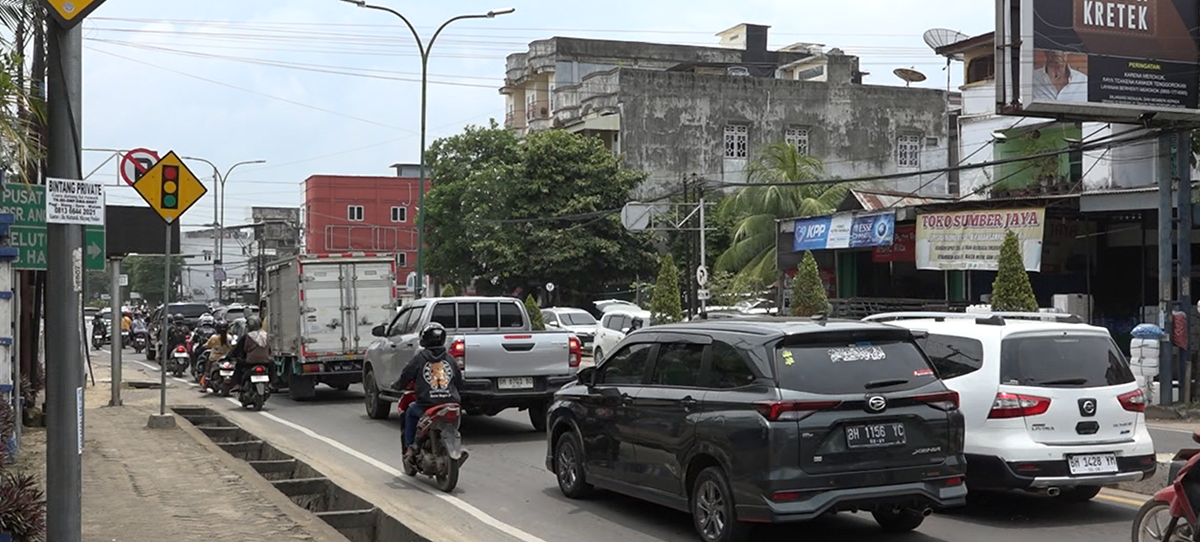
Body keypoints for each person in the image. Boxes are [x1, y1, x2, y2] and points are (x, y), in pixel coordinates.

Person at [391, 322, 463, 462]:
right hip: (451, 403)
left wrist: (397, 386)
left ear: (424, 339)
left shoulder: (419, 358)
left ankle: (410, 447)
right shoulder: (450, 359)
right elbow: (459, 382)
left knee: (410, 411)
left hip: (427, 405)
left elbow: (405, 376)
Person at [229, 316, 270, 391]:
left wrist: (230, 356)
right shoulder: (266, 335)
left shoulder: (247, 336)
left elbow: (240, 349)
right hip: (265, 361)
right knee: (272, 364)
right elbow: (270, 349)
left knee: (238, 365)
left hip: (251, 362)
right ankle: (273, 383)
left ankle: (238, 384)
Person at [200, 321, 234, 391]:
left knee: (207, 372)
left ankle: (204, 387)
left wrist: (203, 346)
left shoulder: (214, 338)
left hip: (214, 359)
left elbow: (207, 345)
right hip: (227, 358)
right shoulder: (230, 337)